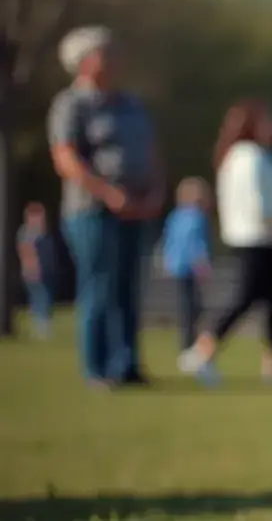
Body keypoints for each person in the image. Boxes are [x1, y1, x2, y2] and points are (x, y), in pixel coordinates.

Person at [48, 26, 164, 389]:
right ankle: (96, 369)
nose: (114, 59)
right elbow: (66, 158)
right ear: (84, 62)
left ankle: (127, 365)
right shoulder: (71, 104)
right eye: (105, 52)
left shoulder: (130, 103)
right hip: (92, 211)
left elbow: (149, 151)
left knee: (129, 287)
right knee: (99, 286)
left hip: (138, 208)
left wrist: (156, 192)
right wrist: (108, 194)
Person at [179, 100, 272, 385]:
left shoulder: (247, 157)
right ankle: (202, 350)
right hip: (257, 238)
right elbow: (260, 204)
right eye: (267, 122)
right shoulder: (248, 158)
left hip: (265, 238)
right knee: (246, 297)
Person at [161, 177, 213, 357]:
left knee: (186, 308)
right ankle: (190, 347)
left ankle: (187, 345)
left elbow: (169, 241)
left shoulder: (175, 216)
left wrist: (167, 260)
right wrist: (202, 265)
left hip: (176, 267)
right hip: (190, 268)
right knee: (193, 310)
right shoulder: (197, 217)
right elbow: (196, 243)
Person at [17, 202, 57, 339]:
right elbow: (27, 251)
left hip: (45, 271)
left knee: (43, 298)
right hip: (33, 272)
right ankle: (41, 328)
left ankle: (41, 325)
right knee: (41, 298)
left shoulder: (41, 232)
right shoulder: (29, 232)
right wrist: (32, 268)